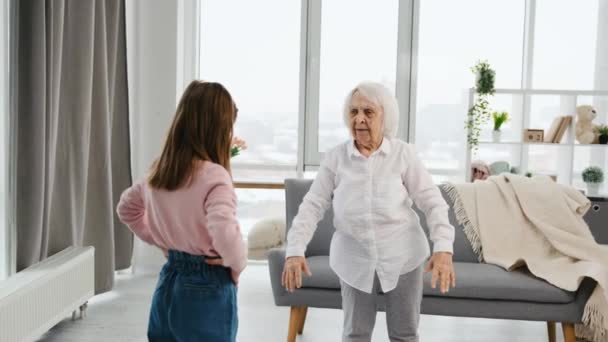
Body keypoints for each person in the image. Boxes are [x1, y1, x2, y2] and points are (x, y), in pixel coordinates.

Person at [282, 82, 456, 342]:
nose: (359, 119)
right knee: (356, 334)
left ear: (385, 116)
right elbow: (312, 205)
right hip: (354, 259)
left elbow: (432, 201)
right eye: (353, 112)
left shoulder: (403, 154)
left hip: (403, 255)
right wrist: (295, 250)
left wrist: (443, 247)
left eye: (368, 112)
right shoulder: (336, 158)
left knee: (405, 334)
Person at [117, 80, 246, 342]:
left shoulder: (160, 171)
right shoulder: (215, 176)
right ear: (217, 129)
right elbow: (224, 231)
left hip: (169, 280)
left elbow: (126, 209)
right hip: (207, 284)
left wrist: (161, 239)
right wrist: (236, 265)